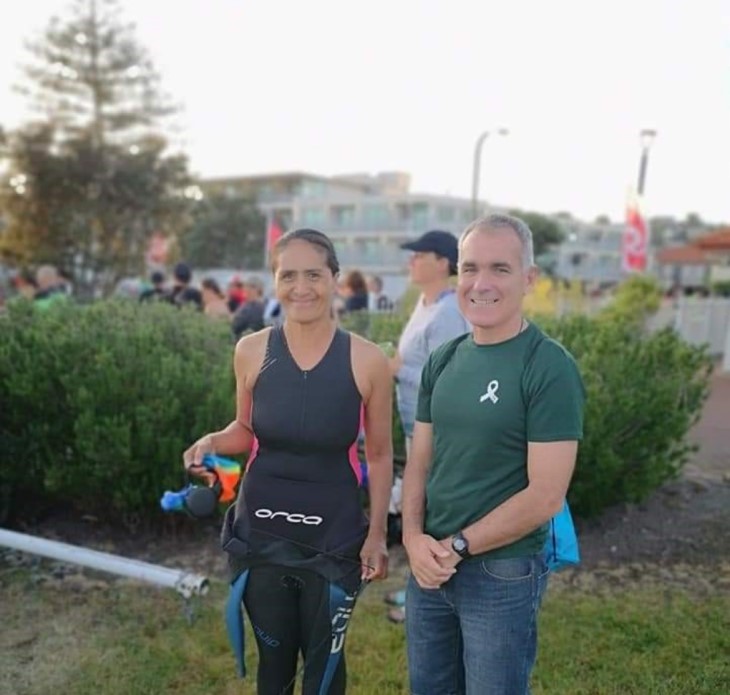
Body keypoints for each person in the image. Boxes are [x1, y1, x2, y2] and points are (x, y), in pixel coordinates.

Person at [183, 228, 393, 695]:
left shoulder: (368, 360)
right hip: (260, 532)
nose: (302, 287)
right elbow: (245, 429)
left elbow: (379, 456)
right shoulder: (251, 350)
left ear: (335, 279)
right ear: (274, 281)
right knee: (273, 667)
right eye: (288, 275)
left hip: (333, 536)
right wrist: (211, 440)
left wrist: (377, 534)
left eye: (314, 274)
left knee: (323, 673)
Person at [401, 214, 585, 695]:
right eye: (470, 268)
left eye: (500, 269)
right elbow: (419, 462)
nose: (481, 284)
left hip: (502, 570)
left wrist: (457, 546)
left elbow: (545, 496)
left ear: (529, 279)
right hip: (430, 566)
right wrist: (413, 538)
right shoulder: (445, 359)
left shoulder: (547, 366)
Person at [384, 229, 470, 620]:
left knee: (433, 512)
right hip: (413, 424)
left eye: (419, 254)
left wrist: (399, 371)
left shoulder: (450, 311)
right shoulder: (426, 303)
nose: (411, 260)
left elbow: (452, 378)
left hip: (436, 430)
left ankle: (428, 595)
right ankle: (420, 590)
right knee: (420, 508)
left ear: (441, 262)